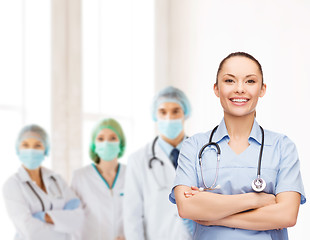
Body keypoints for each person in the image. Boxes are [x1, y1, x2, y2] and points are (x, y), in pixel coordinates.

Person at [169, 52, 306, 239]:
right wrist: (257, 199)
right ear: (216, 89)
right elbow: (186, 207)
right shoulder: (194, 146)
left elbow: (286, 215)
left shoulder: (282, 147)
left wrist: (214, 215)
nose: (240, 89)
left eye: (250, 81)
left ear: (262, 89)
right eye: (229, 81)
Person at [124, 86, 193, 240]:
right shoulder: (138, 159)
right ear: (155, 115)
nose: (169, 117)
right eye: (163, 112)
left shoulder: (203, 154)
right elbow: (132, 216)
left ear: (185, 113)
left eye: (176, 111)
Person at [2, 124, 84, 240]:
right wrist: (61, 222)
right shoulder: (12, 185)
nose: (31, 150)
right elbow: (29, 232)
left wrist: (43, 217)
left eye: (37, 145)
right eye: (25, 145)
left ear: (45, 149)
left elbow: (78, 219)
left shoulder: (57, 179)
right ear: (18, 149)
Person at [71, 118, 126, 240]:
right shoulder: (80, 177)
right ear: (93, 144)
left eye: (113, 138)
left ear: (121, 142)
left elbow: (140, 215)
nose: (106, 143)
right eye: (100, 138)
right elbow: (73, 220)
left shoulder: (131, 174)